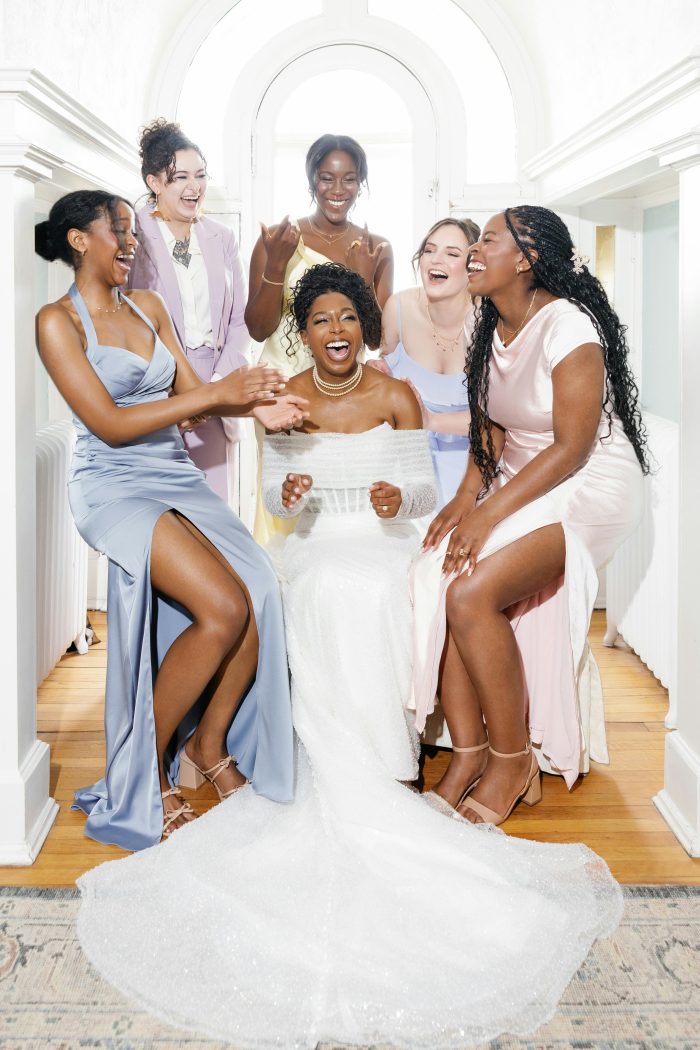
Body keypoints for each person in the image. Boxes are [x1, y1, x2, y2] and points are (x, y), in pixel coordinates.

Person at [76, 263, 622, 1050]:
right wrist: (289, 497)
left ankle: (391, 756)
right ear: (306, 329)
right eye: (322, 319)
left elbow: (421, 492)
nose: (337, 331)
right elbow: (272, 504)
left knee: (392, 589)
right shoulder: (284, 397)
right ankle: (336, 756)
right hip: (317, 544)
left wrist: (402, 501)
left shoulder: (395, 393)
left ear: (366, 326)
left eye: (349, 318)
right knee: (329, 589)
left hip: (385, 539)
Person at [35, 190, 309, 850]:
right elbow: (107, 421)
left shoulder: (150, 307)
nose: (131, 242)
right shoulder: (57, 322)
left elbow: (194, 397)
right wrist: (219, 393)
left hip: (173, 474)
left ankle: (210, 747)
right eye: (118, 231)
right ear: (79, 240)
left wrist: (256, 407)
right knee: (220, 606)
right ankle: (144, 775)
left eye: (134, 232)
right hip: (112, 484)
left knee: (260, 592)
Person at [411, 206, 648, 825]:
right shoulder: (490, 327)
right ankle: (468, 754)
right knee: (439, 577)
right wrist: (466, 499)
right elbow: (490, 429)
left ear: (527, 258)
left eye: (486, 240)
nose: (471, 252)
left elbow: (572, 447)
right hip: (522, 476)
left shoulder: (570, 327)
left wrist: (487, 518)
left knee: (472, 595)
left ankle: (513, 759)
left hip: (587, 483)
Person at [246, 133, 394, 542]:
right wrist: (277, 262)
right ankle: (282, 592)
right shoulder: (279, 239)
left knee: (336, 499)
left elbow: (376, 337)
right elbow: (257, 327)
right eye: (327, 178)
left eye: (349, 179)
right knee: (284, 496)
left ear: (361, 182)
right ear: (311, 179)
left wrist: (363, 277)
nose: (337, 190)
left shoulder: (378, 247)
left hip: (344, 392)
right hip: (280, 389)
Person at [127, 119, 250, 502]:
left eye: (200, 175)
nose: (194, 187)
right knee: (161, 516)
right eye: (180, 177)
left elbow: (240, 320)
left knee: (213, 519)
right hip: (156, 392)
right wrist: (176, 393)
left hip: (216, 389)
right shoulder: (131, 236)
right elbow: (124, 321)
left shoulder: (222, 238)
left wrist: (213, 388)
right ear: (154, 183)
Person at [378, 217, 480, 507]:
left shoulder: (489, 322)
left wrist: (432, 421)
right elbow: (383, 372)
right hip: (406, 465)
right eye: (429, 250)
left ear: (473, 266)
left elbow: (502, 421)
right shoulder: (398, 308)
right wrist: (378, 374)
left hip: (473, 470)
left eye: (452, 254)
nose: (436, 260)